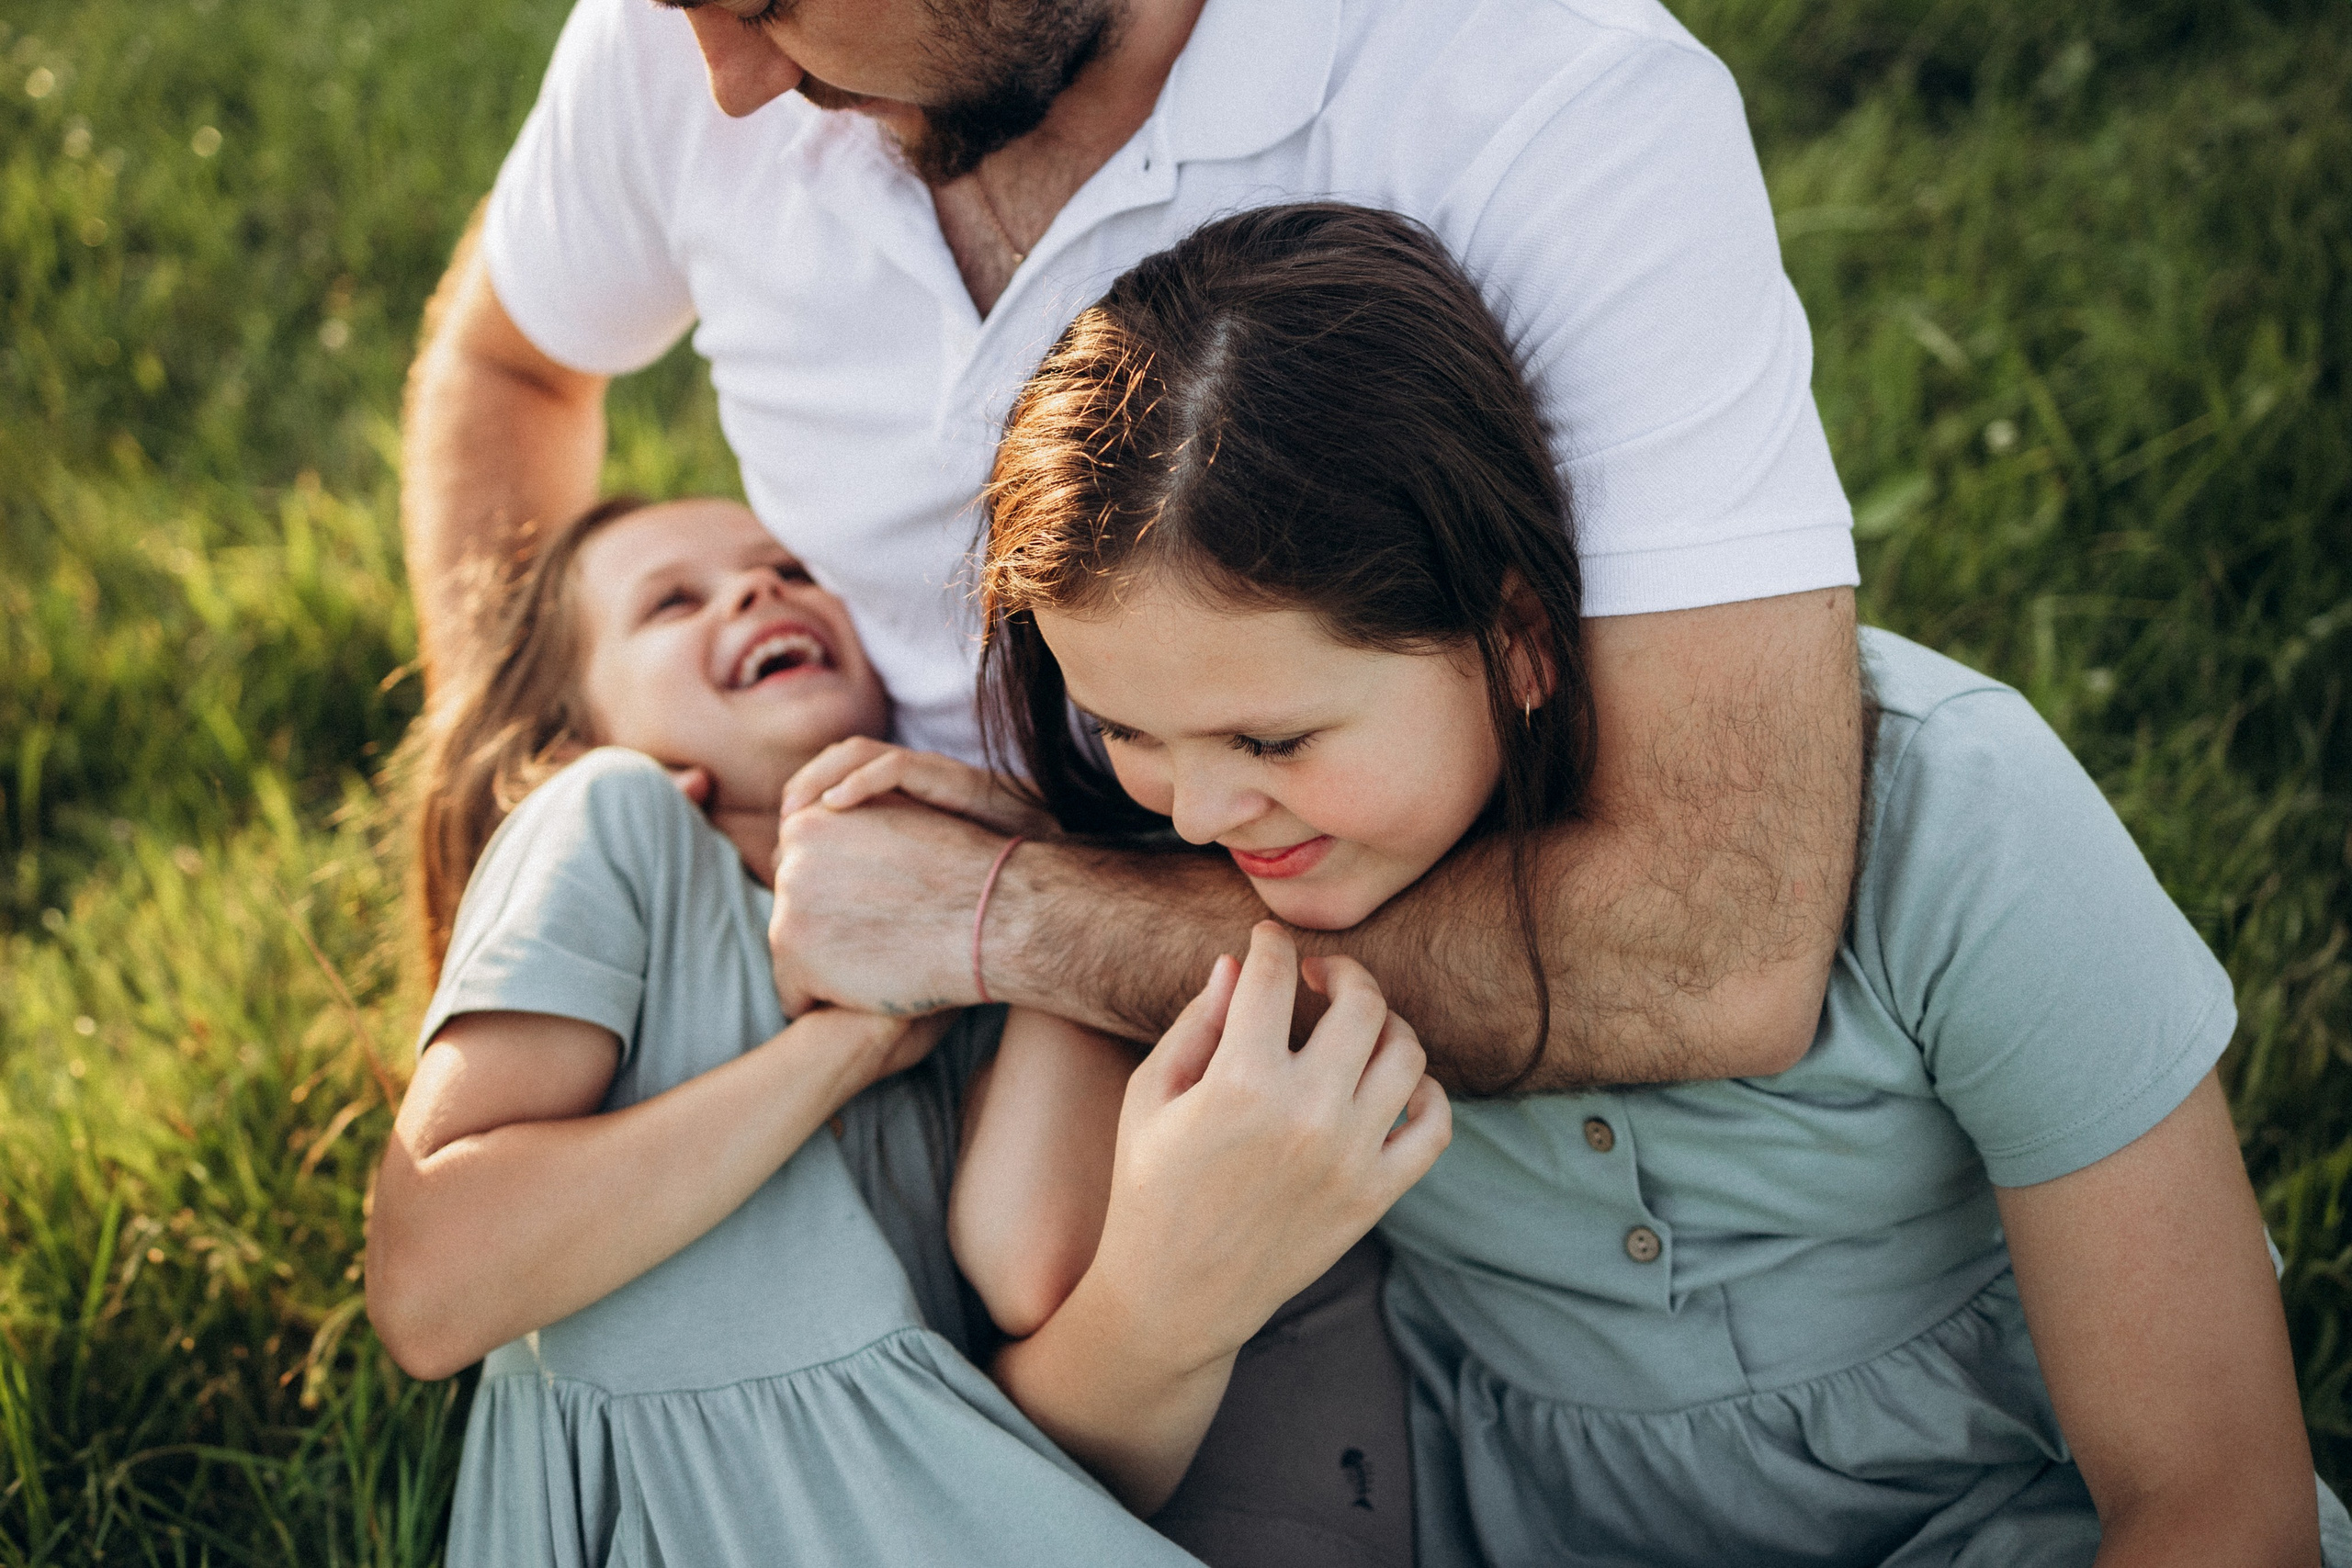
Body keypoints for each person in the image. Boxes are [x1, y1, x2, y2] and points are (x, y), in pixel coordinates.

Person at [795, 202, 2350, 1564]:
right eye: (1127, 729)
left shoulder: (1950, 811)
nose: (1200, 810)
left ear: (1521, 639)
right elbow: (1028, 1359)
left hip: (2007, 1513)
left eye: (1275, 736)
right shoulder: (1202, 867)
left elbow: (2221, 1497)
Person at [402, 0, 1868, 1095]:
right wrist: (518, 823)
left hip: (1310, 1073)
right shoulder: (675, 45)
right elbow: (511, 366)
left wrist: (1007, 916)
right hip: (817, 945)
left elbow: (1716, 944)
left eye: (771, 0)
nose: (725, 80)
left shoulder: (1545, 100)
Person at [365, 493, 1451, 1565]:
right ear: (572, 734)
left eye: (791, 571)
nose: (756, 593)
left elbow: (1035, 1265)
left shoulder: (958, 938)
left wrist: (1028, 879)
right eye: (672, 603)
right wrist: (846, 1045)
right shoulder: (618, 820)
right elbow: (431, 1288)